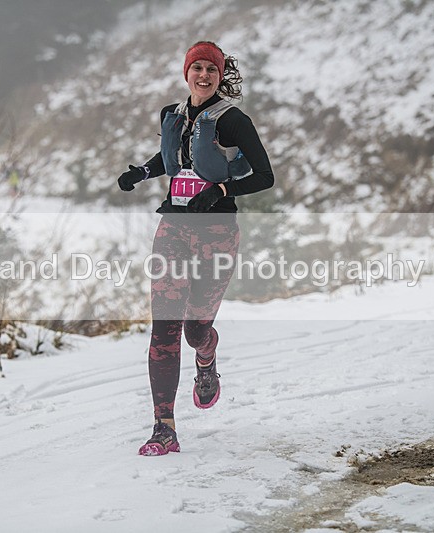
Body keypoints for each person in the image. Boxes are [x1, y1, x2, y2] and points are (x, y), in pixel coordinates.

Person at [117, 41, 274, 456]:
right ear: (186, 72)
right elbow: (173, 156)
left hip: (216, 234)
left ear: (220, 76)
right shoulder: (172, 114)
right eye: (197, 68)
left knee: (195, 330)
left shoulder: (233, 120)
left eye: (211, 70)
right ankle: (163, 429)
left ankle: (207, 355)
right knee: (164, 327)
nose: (204, 75)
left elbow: (265, 176)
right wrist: (142, 172)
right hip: (173, 228)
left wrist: (220, 190)